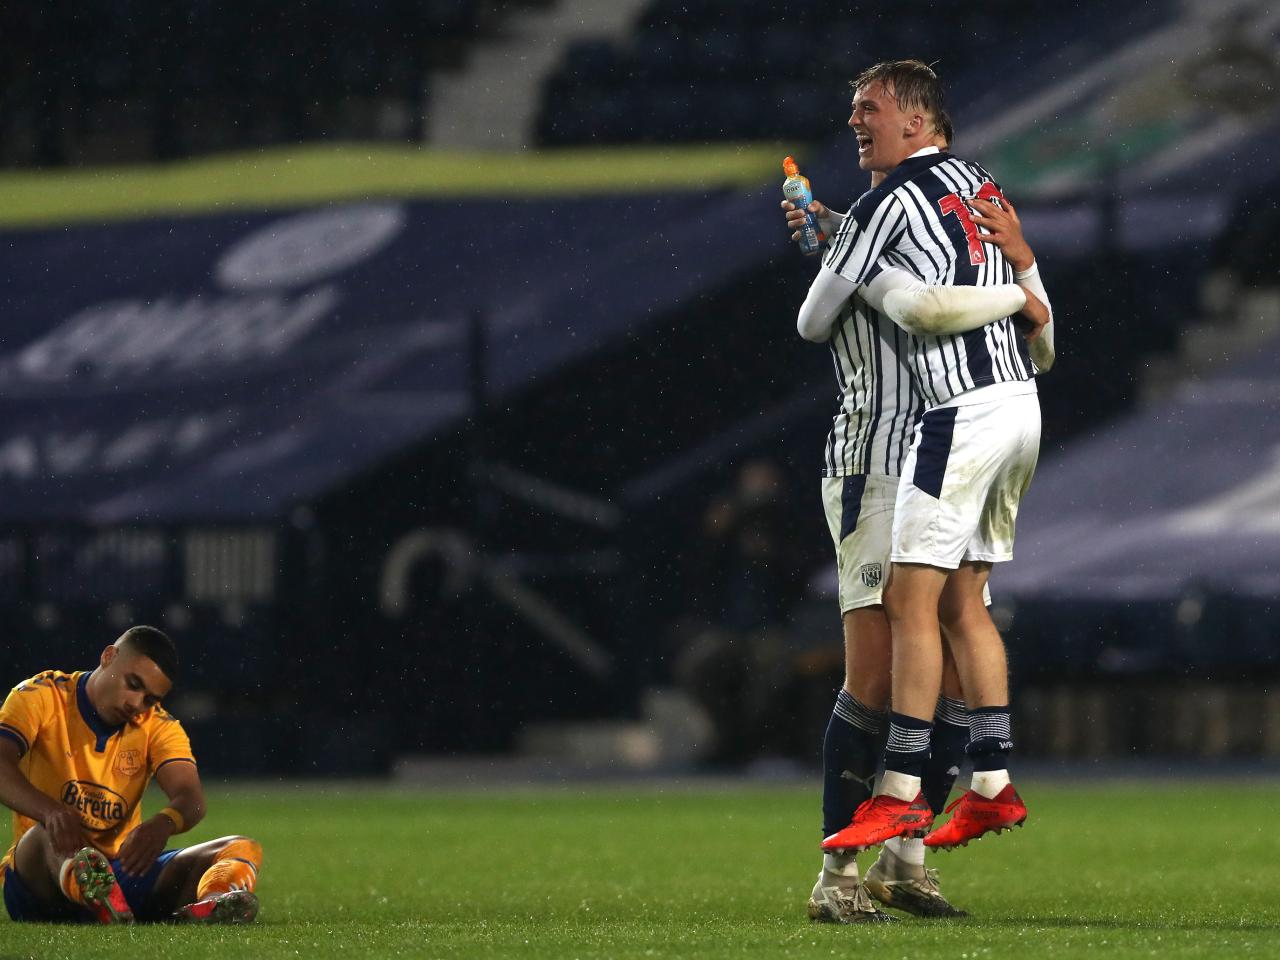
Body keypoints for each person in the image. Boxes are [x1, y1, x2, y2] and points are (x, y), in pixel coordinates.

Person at [784, 98, 1054, 922]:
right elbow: (845, 311)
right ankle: (837, 876)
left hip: (949, 447)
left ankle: (904, 860)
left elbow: (1028, 333)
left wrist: (1025, 276)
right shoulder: (875, 238)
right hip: (875, 458)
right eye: (853, 116)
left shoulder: (935, 227)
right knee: (875, 673)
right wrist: (1024, 294)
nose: (858, 126)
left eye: (875, 112)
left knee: (933, 657)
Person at [0, 626, 262, 924]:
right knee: (46, 832)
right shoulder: (42, 696)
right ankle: (92, 891)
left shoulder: (158, 726)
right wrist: (50, 811)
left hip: (120, 875)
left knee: (240, 846)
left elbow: (191, 799)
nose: (137, 704)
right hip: (42, 880)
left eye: (150, 699)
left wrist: (164, 823)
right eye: (133, 684)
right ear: (109, 656)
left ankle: (212, 905)